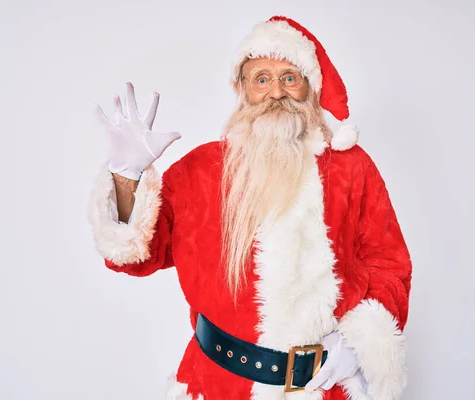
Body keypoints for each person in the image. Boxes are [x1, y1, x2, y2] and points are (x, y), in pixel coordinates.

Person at [88, 15, 412, 400]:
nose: (276, 92)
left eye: (290, 77)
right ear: (242, 89)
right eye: (261, 79)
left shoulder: (352, 168)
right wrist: (127, 176)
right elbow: (138, 255)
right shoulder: (200, 170)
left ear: (311, 88)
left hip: (323, 388)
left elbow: (389, 264)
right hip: (219, 384)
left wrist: (358, 343)